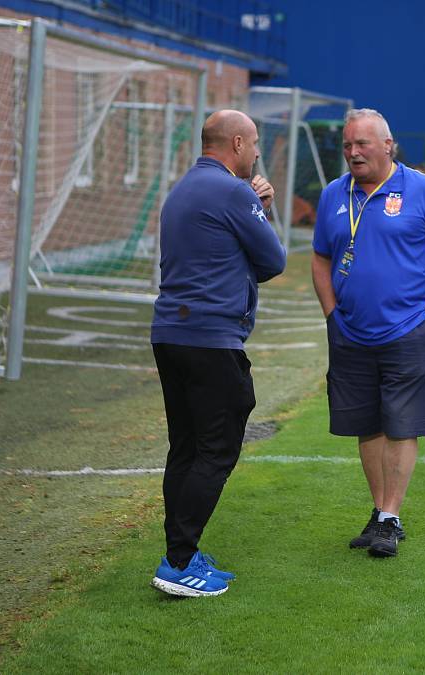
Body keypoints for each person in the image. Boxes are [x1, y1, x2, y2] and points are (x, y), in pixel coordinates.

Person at [311, 108, 425, 558]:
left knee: (401, 424)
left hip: (406, 331)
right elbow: (320, 259)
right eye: (347, 146)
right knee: (366, 424)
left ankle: (391, 516)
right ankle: (380, 514)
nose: (353, 153)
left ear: (387, 146)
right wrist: (331, 315)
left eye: (361, 144)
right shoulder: (333, 196)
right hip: (350, 333)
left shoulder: (424, 190)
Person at [150, 110, 286, 596]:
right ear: (235, 143)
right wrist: (258, 209)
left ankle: (181, 553)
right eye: (253, 146)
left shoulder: (183, 187)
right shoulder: (232, 191)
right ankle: (179, 563)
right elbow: (273, 260)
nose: (255, 155)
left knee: (186, 447)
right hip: (211, 339)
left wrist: (252, 207)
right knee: (218, 448)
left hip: (170, 334)